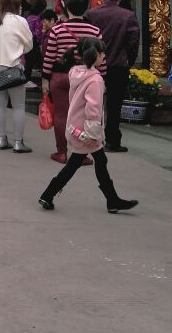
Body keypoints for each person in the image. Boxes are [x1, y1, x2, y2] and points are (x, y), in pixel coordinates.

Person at [38, 38, 138, 213]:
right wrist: (93, 132)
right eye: (102, 53)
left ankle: (112, 200)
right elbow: (93, 109)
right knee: (77, 164)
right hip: (87, 130)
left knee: (98, 161)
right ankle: (48, 194)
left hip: (76, 127)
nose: (104, 56)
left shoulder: (75, 72)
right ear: (96, 56)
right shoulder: (95, 80)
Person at [42, 0, 104, 164]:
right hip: (87, 77)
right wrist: (102, 77)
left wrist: (45, 79)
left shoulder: (57, 31)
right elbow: (101, 57)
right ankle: (81, 154)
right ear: (86, 7)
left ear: (66, 8)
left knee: (62, 114)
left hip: (61, 76)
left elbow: (49, 58)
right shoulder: (95, 31)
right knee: (82, 115)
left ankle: (61, 152)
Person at [86, 0, 140, 153]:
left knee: (92, 102)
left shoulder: (92, 14)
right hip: (118, 64)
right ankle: (112, 139)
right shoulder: (128, 16)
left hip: (95, 64)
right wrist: (128, 61)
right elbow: (133, 42)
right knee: (115, 104)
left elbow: (86, 39)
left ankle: (90, 136)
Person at [0, 0, 34, 152]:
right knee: (18, 106)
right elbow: (29, 45)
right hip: (13, 67)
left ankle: (1, 138)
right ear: (17, 6)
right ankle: (18, 142)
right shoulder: (20, 21)